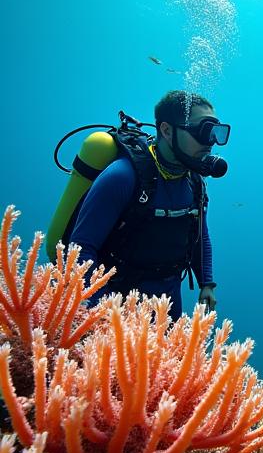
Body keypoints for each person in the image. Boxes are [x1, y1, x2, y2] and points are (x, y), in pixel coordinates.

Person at [69, 90, 231, 319]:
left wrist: (207, 282)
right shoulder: (122, 177)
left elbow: (199, 236)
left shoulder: (195, 182)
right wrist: (105, 315)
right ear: (166, 130)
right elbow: (80, 249)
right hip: (114, 304)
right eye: (202, 132)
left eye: (215, 133)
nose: (211, 142)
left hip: (168, 302)